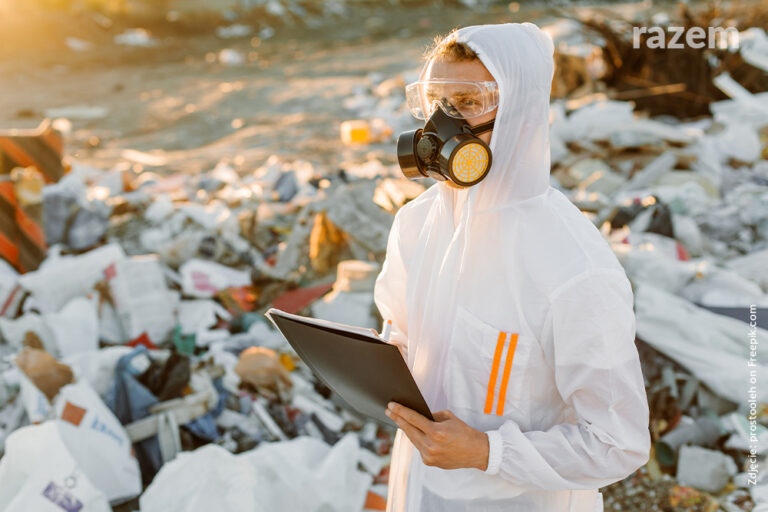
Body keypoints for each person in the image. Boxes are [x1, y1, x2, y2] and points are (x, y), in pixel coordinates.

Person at [373, 22, 651, 512]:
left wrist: (485, 451)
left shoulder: (572, 267)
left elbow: (618, 442)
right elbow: (400, 335)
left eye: (469, 102)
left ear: (521, 115)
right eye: (436, 100)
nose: (443, 121)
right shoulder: (416, 224)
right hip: (419, 491)